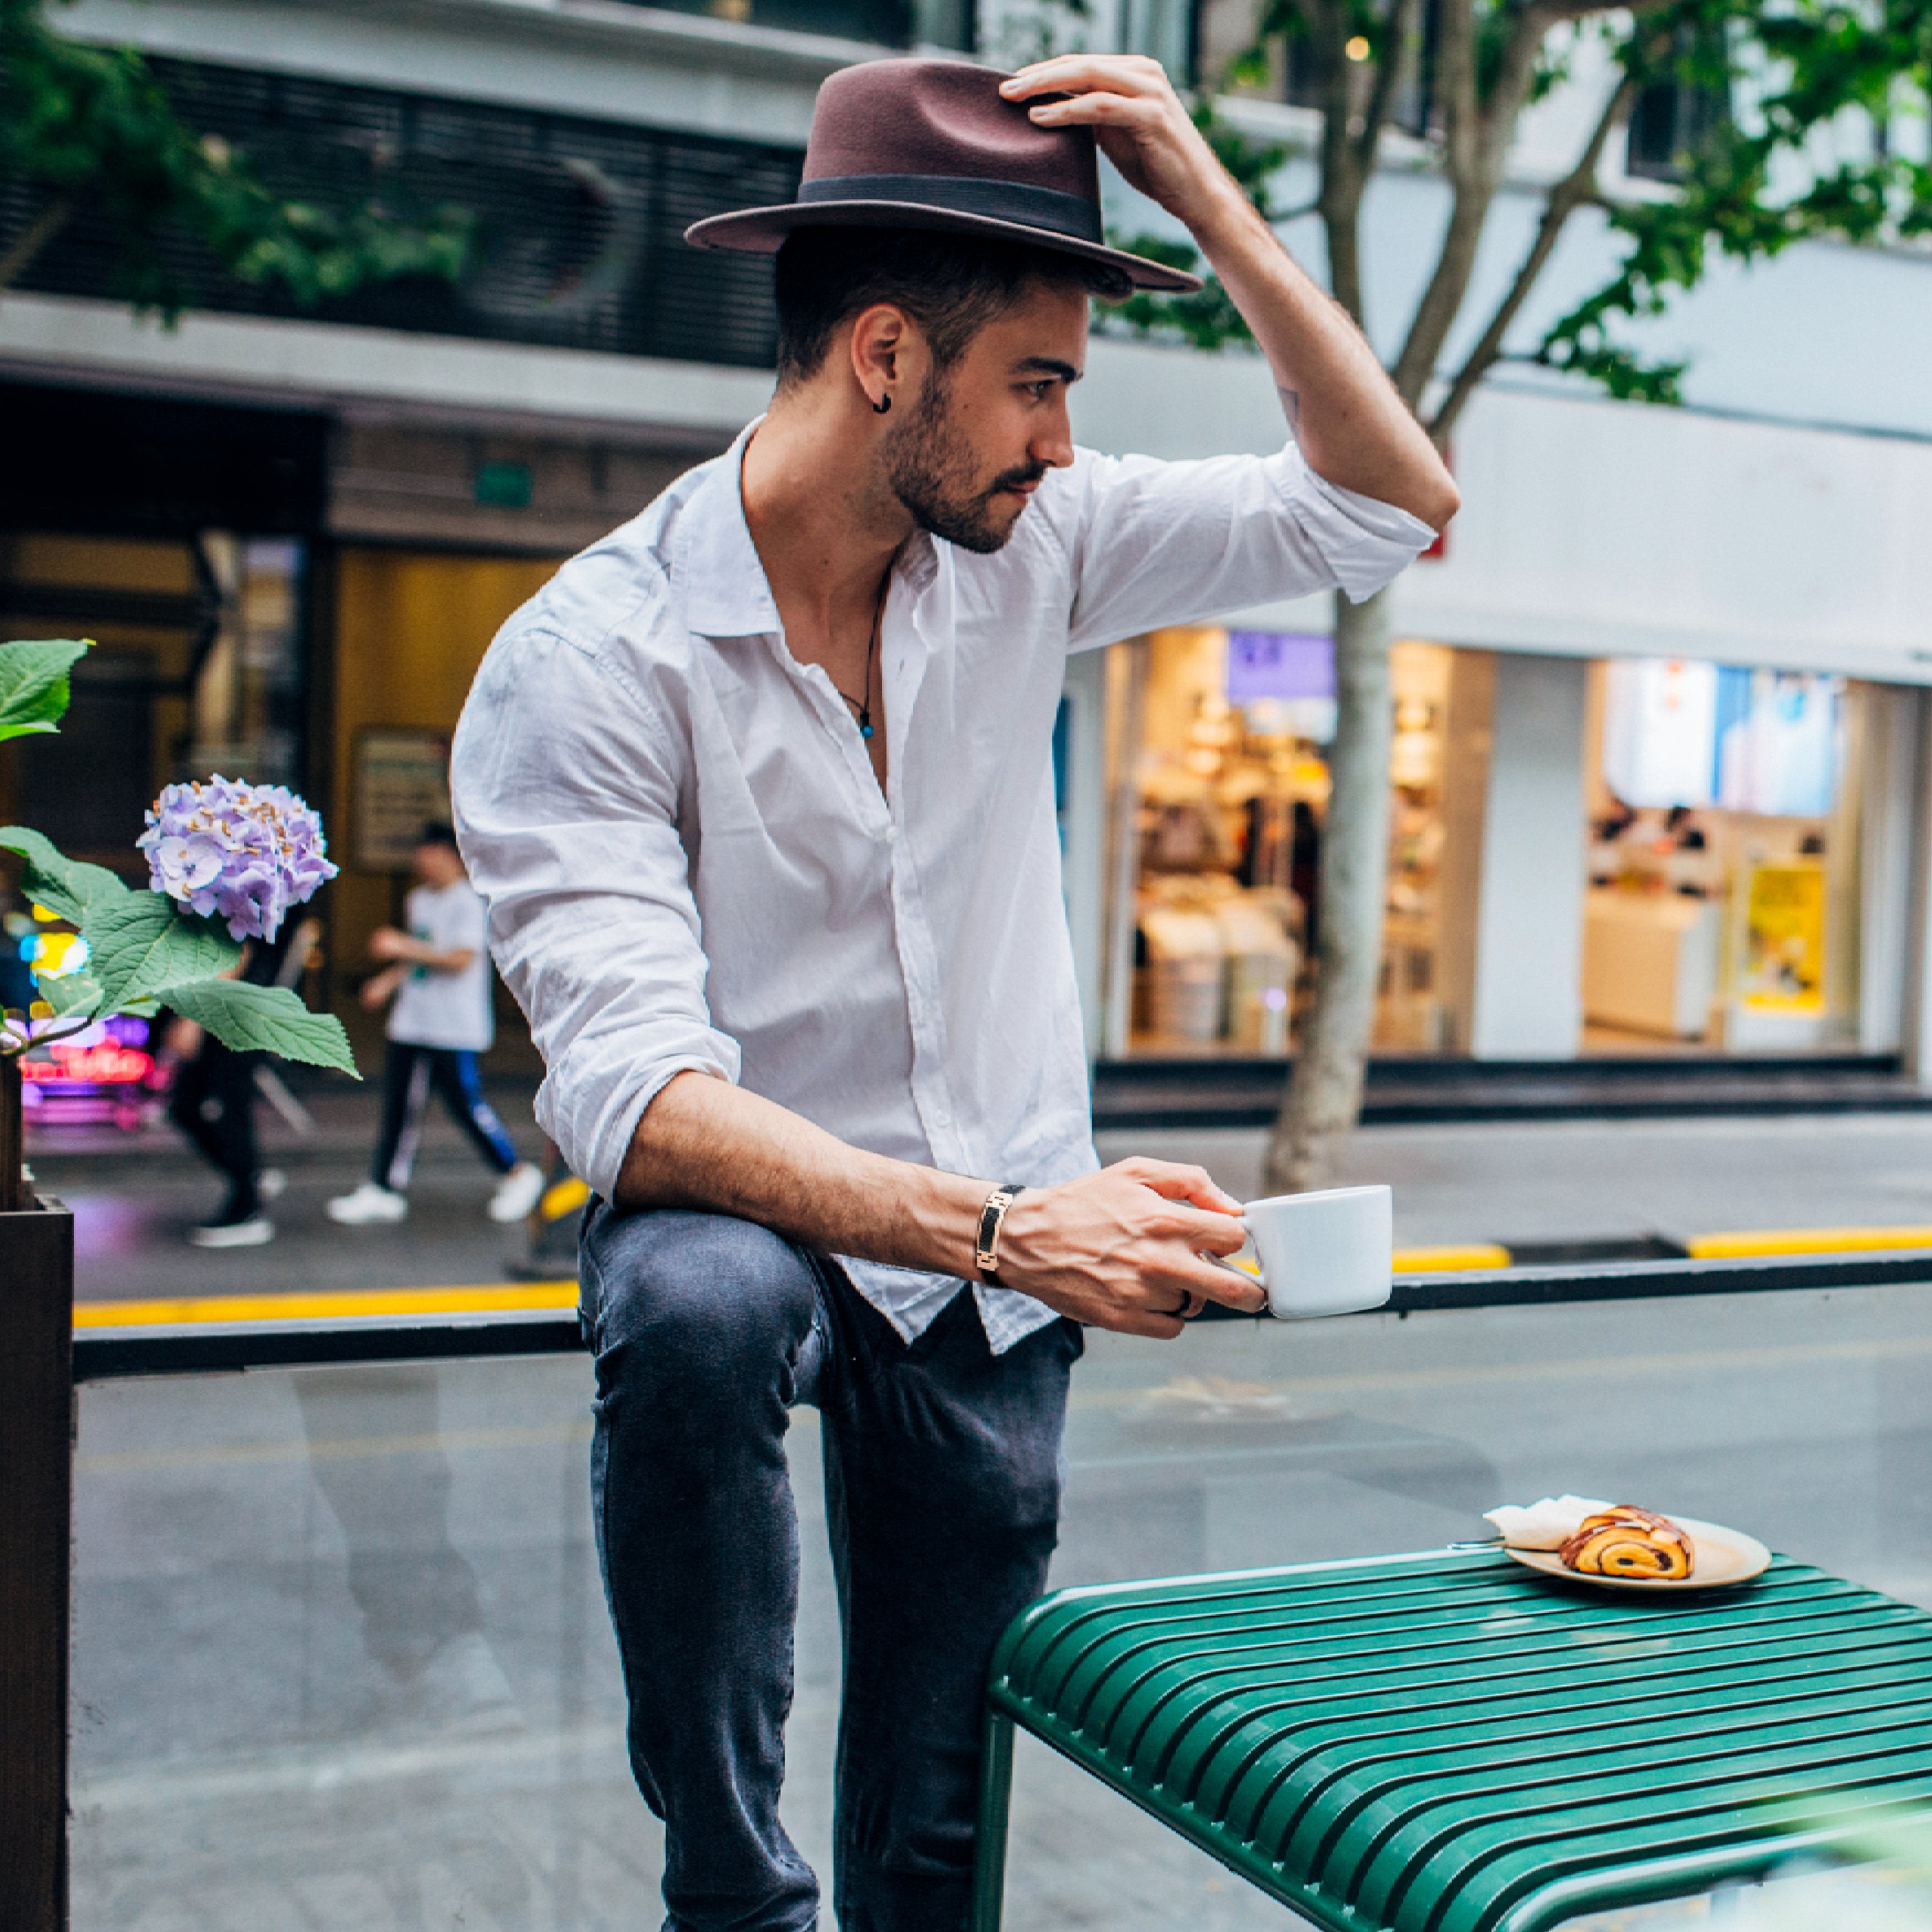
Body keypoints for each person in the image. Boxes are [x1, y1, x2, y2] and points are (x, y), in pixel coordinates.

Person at [452, 52, 1456, 1932]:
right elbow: (639, 1104)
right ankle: (733, 1893)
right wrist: (1012, 1231)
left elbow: (1388, 505)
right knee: (686, 1295)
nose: (1065, 442)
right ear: (889, 359)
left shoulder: (1028, 546)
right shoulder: (591, 659)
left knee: (940, 1841)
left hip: (997, 1246)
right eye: (1044, 383)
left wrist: (1202, 186)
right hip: (791, 1215)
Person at [327, 824, 543, 1226]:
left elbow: (461, 958)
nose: (422, 863)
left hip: (453, 1027)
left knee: (465, 1106)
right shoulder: (419, 900)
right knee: (399, 1108)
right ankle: (384, 1187)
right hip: (412, 1021)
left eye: (430, 855)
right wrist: (387, 982)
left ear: (450, 856)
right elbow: (418, 957)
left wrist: (401, 946)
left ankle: (516, 1173)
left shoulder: (468, 903)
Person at [163, 921, 300, 1248]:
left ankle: (248, 1208)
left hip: (236, 1015)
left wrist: (193, 1019)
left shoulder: (239, 883)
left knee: (227, 1109)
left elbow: (236, 952)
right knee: (187, 1107)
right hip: (232, 1012)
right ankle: (250, 1179)